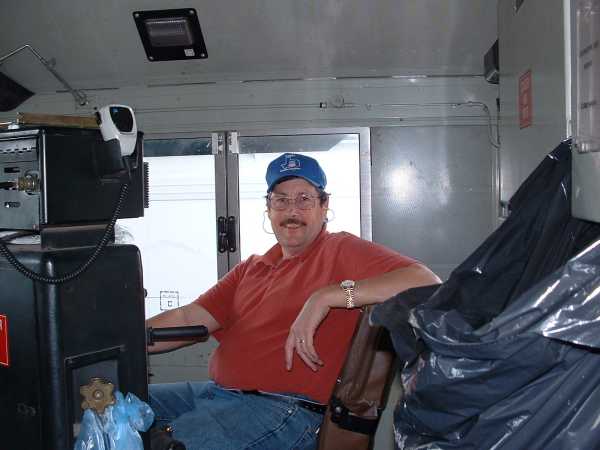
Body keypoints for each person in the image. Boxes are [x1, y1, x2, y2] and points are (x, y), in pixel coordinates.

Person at [147, 152, 441, 450]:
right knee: (118, 403)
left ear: (324, 206)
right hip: (217, 394)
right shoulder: (251, 268)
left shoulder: (339, 249)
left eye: (304, 199)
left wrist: (327, 296)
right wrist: (119, 343)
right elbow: (187, 319)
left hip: (282, 409)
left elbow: (425, 281)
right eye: (282, 200)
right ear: (269, 208)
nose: (292, 210)